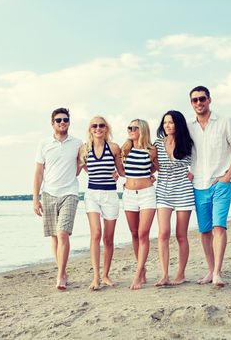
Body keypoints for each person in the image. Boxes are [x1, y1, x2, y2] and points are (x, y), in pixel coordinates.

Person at [187, 86, 231, 287]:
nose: (198, 103)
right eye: (194, 100)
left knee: (219, 226)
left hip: (220, 184)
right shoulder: (188, 127)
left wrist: (228, 175)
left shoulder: (225, 122)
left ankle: (218, 272)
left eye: (202, 99)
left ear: (209, 100)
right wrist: (184, 171)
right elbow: (178, 151)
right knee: (204, 231)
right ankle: (210, 270)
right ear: (191, 103)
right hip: (198, 185)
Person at [33, 107, 82, 290]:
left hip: (70, 192)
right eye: (59, 120)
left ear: (69, 122)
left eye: (65, 119)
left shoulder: (78, 143)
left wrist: (113, 173)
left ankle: (60, 274)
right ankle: (62, 269)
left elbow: (85, 164)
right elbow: (38, 173)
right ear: (52, 123)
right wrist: (35, 199)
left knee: (63, 233)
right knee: (54, 236)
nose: (62, 123)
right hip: (48, 193)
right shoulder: (44, 144)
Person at [78, 116, 124, 290]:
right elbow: (79, 168)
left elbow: (122, 171)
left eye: (101, 125)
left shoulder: (113, 148)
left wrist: (147, 173)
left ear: (106, 128)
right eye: (94, 126)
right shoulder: (84, 149)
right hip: (92, 195)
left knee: (108, 238)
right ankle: (96, 277)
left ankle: (105, 275)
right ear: (90, 129)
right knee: (96, 233)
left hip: (110, 195)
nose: (98, 128)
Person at [154, 110, 195, 287]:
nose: (168, 126)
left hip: (183, 190)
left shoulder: (188, 143)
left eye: (171, 122)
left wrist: (193, 172)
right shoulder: (157, 143)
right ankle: (164, 275)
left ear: (178, 124)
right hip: (163, 190)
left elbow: (198, 162)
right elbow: (152, 165)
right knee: (163, 233)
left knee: (181, 235)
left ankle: (180, 274)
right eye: (165, 123)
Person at [121, 119, 158, 290]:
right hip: (128, 196)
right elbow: (122, 170)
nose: (130, 130)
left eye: (134, 128)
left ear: (142, 130)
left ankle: (137, 275)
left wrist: (147, 176)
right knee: (134, 234)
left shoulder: (151, 150)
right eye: (129, 128)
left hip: (147, 195)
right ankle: (142, 268)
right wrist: (128, 181)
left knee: (143, 233)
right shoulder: (125, 150)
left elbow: (156, 167)